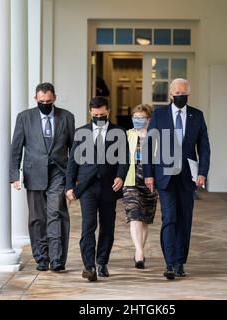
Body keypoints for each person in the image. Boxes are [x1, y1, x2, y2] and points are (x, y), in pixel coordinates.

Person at [143, 78, 210, 280]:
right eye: (178, 93)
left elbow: (204, 147)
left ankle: (180, 262)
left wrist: (202, 172)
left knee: (184, 220)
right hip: (164, 176)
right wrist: (148, 173)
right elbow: (148, 145)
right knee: (169, 218)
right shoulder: (160, 114)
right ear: (170, 94)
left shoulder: (197, 115)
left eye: (184, 94)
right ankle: (170, 263)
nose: (181, 96)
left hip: (187, 177)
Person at [10, 83, 75, 272]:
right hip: (34, 173)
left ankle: (57, 259)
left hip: (58, 172)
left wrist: (74, 177)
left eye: (48, 101)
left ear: (54, 98)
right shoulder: (24, 117)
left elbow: (74, 149)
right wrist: (15, 174)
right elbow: (16, 147)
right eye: (41, 101)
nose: (45, 104)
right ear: (35, 99)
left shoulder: (67, 117)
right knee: (37, 218)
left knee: (56, 214)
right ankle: (41, 258)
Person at [66, 97, 129, 281]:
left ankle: (102, 262)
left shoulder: (119, 132)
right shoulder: (81, 133)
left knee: (107, 226)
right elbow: (72, 162)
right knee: (88, 226)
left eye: (102, 115)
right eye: (95, 115)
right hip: (87, 187)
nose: (99, 118)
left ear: (108, 111)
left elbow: (124, 158)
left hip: (109, 185)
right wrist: (69, 185)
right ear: (90, 114)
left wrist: (121, 176)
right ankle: (89, 266)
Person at [122, 104, 158, 269]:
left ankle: (140, 250)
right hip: (131, 180)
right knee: (135, 215)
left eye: (141, 118)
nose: (137, 120)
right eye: (135, 118)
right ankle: (139, 253)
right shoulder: (127, 135)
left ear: (149, 119)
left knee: (144, 219)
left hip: (151, 181)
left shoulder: (156, 137)